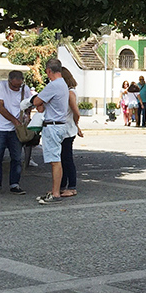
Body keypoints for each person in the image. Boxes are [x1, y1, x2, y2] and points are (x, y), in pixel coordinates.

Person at [31, 57, 70, 204]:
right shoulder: (63, 84)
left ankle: (55, 193)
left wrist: (37, 103)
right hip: (58, 124)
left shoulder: (53, 85)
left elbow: (36, 102)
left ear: (48, 71)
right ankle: (55, 190)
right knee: (55, 159)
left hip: (53, 125)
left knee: (55, 160)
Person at [0, 70, 32, 196]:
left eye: (19, 86)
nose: (16, 88)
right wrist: (14, 121)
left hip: (15, 130)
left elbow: (28, 104)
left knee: (17, 158)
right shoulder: (0, 87)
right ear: (8, 81)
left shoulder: (25, 89)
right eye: (14, 86)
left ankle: (15, 184)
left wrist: (27, 116)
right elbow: (0, 107)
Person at [57, 68, 84, 197]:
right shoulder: (68, 92)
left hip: (67, 129)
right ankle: (62, 185)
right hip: (67, 128)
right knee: (62, 158)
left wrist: (75, 124)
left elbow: (75, 112)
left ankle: (72, 186)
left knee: (67, 159)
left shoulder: (70, 93)